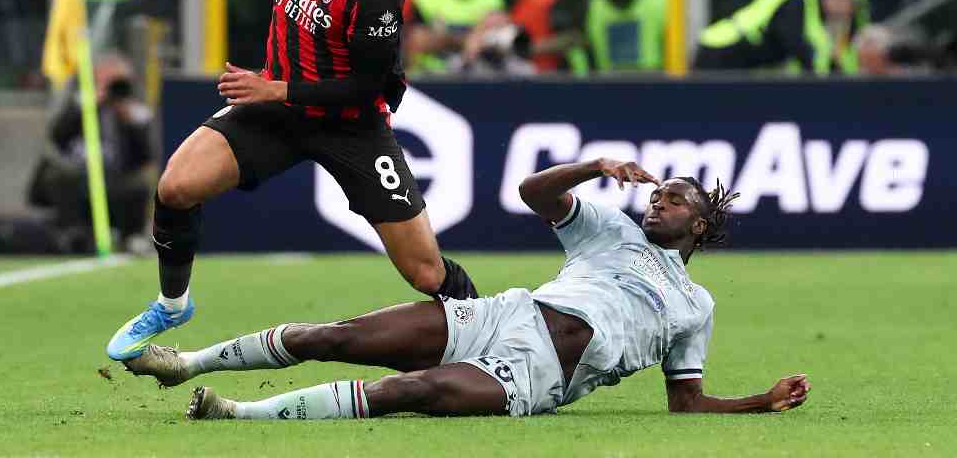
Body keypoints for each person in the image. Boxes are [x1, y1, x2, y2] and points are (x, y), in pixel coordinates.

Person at [104, 0, 479, 363]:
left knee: (424, 271)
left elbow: (365, 85)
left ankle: (497, 337)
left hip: (350, 125)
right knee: (177, 187)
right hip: (275, 109)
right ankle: (173, 302)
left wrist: (276, 89)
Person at [123, 158, 811, 421]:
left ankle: (235, 415)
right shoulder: (610, 229)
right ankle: (186, 362)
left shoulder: (696, 304)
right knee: (335, 336)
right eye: (657, 193)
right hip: (503, 315)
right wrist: (591, 167)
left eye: (675, 200)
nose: (658, 202)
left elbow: (685, 403)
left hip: (540, 374)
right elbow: (532, 192)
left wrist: (761, 401)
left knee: (411, 393)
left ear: (703, 222)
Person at [31, 52, 156, 245]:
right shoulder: (79, 102)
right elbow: (57, 137)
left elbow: (146, 157)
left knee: (141, 183)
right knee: (59, 175)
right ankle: (74, 234)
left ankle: (132, 236)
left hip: (116, 179)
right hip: (79, 175)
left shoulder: (135, 111)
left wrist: (128, 119)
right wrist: (88, 106)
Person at [694, 0, 869, 75]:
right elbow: (792, 40)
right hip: (721, 53)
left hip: (739, 62)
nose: (851, 12)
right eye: (852, 3)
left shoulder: (814, 13)